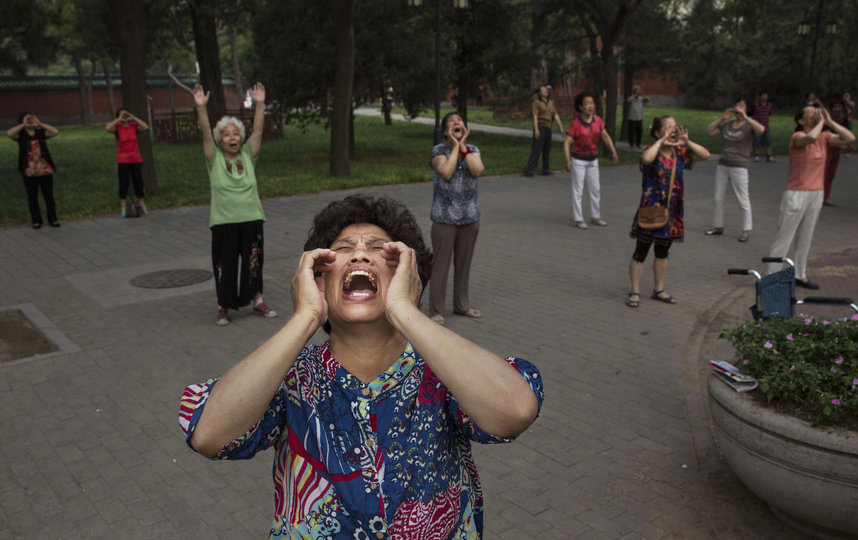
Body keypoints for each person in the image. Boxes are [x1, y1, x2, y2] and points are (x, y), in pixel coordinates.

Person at [178, 194, 544, 539]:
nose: (359, 257)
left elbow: (514, 410)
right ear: (318, 279)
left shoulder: (445, 370)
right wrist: (305, 317)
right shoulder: (291, 377)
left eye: (378, 250)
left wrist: (405, 311)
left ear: (408, 275)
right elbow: (209, 435)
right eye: (343, 250)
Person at [193, 82, 277, 325]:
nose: (232, 137)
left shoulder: (248, 154)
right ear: (221, 139)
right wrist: (201, 108)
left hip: (252, 218)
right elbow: (206, 133)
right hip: (223, 221)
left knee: (253, 262)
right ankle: (223, 306)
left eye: (236, 133)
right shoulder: (214, 157)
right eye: (227, 134)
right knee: (225, 265)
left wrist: (260, 104)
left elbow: (259, 132)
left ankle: (257, 301)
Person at [766, 104, 855, 289]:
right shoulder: (798, 137)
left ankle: (800, 273)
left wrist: (830, 122)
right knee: (784, 236)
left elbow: (850, 138)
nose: (816, 114)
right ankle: (772, 276)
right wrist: (822, 121)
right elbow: (810, 137)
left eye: (817, 112)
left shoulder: (825, 137)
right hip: (796, 193)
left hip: (816, 193)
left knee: (806, 236)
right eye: (811, 113)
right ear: (801, 120)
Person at [626, 116, 710, 308]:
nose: (673, 129)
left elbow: (705, 155)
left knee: (663, 252)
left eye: (674, 126)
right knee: (641, 251)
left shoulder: (680, 152)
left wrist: (688, 142)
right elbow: (645, 159)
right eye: (668, 127)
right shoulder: (651, 151)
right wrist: (659, 142)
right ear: (657, 132)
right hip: (650, 210)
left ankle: (659, 289)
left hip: (672, 212)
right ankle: (635, 291)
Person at [429, 111, 485, 325]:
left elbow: (477, 169)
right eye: (451, 122)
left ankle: (462, 306)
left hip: (470, 218)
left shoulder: (473, 150)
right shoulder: (438, 151)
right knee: (441, 266)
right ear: (446, 131)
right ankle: (436, 311)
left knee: (464, 264)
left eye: (459, 121)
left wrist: (462, 146)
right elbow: (446, 172)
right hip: (445, 218)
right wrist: (454, 147)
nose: (456, 123)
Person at [704, 98, 766, 242]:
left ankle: (746, 230)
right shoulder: (728, 125)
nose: (737, 107)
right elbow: (709, 131)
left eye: (741, 106)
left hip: (739, 166)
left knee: (742, 199)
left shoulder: (749, 126)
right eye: (736, 105)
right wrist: (722, 118)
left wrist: (747, 118)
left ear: (747, 110)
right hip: (723, 164)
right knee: (717, 197)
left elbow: (761, 130)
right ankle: (718, 226)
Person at [563, 90, 619, 229]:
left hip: (593, 160)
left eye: (592, 103)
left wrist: (613, 151)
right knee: (578, 190)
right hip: (579, 161)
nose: (590, 106)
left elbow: (605, 136)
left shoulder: (598, 120)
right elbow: (567, 142)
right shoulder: (576, 123)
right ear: (580, 107)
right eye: (586, 104)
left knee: (596, 189)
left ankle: (595, 216)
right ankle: (579, 218)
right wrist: (568, 161)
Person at [6, 112, 61, 229]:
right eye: (28, 119)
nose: (30, 121)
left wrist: (40, 123)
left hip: (44, 168)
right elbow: (9, 134)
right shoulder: (21, 135)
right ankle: (36, 220)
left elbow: (55, 131)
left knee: (49, 195)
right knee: (32, 196)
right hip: (29, 170)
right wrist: (23, 125)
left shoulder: (40, 133)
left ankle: (53, 219)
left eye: (31, 119)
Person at [105, 107, 150, 217]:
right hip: (122, 159)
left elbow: (145, 127)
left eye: (126, 114)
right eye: (122, 115)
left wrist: (133, 117)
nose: (124, 117)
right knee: (123, 182)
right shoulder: (117, 128)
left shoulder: (134, 127)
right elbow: (107, 128)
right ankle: (123, 204)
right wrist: (119, 119)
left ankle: (142, 203)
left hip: (135, 158)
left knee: (138, 181)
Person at [524, 85, 563, 177]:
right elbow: (535, 116)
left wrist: (561, 128)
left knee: (547, 149)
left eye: (546, 89)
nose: (546, 90)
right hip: (540, 126)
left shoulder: (551, 102)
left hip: (548, 127)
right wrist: (536, 129)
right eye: (543, 89)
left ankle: (546, 169)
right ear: (539, 93)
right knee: (536, 149)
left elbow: (555, 115)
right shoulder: (536, 103)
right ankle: (530, 170)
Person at [751, 92, 774, 162]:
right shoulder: (756, 105)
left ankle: (769, 156)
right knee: (756, 141)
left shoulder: (769, 105)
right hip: (757, 126)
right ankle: (756, 155)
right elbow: (752, 114)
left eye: (766, 96)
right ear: (760, 97)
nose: (764, 97)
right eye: (763, 96)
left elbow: (769, 113)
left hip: (766, 127)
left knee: (768, 141)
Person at [626, 85, 650, 149]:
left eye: (639, 90)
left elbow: (648, 99)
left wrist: (641, 95)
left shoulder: (641, 98)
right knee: (631, 132)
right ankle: (631, 144)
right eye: (637, 90)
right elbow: (628, 100)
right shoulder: (632, 98)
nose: (638, 92)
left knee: (639, 132)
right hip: (632, 118)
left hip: (639, 118)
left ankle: (638, 144)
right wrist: (635, 95)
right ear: (634, 91)